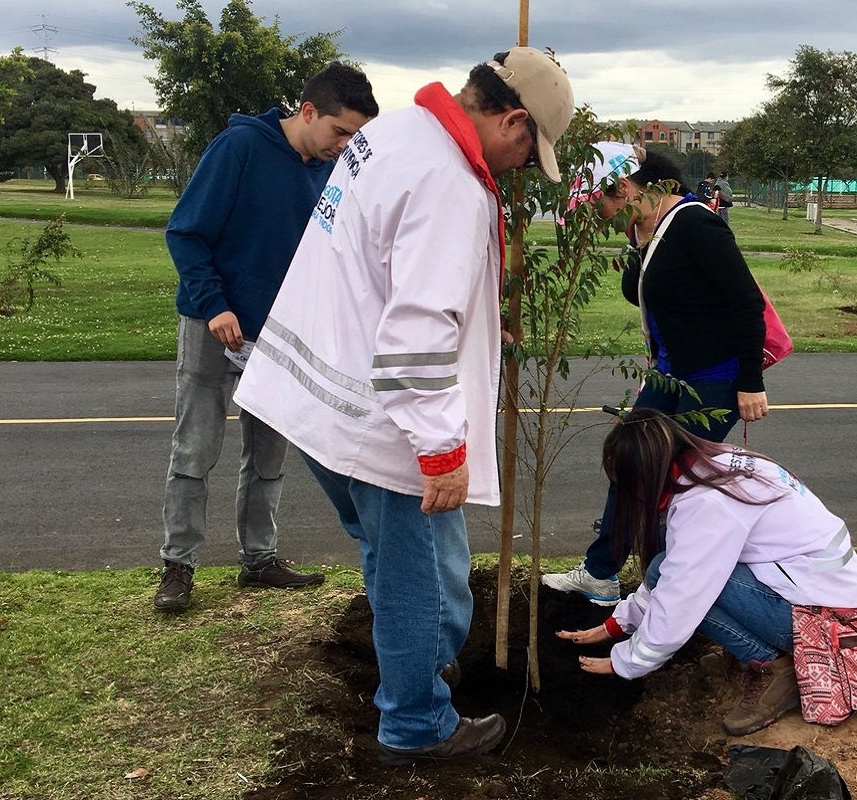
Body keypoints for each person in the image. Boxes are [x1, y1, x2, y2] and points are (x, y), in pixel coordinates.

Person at [233, 47, 575, 764]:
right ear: (510, 117)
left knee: (404, 563)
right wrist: (442, 451)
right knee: (418, 572)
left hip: (312, 395)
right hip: (381, 421)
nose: (521, 164)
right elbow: (416, 332)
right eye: (526, 146)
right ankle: (416, 724)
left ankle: (420, 667)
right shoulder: (449, 182)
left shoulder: (392, 135)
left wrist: (483, 325)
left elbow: (384, 271)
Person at [154, 63, 378, 613]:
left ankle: (259, 559)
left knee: (268, 456)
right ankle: (178, 566)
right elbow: (185, 233)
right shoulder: (238, 149)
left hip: (280, 338)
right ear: (307, 112)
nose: (346, 146)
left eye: (356, 136)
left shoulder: (328, 170)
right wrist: (215, 306)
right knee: (195, 451)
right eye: (341, 132)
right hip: (216, 326)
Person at [556, 409, 857, 735]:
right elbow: (674, 567)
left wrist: (626, 661)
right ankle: (771, 652)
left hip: (827, 625)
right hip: (821, 595)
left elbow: (683, 594)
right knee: (675, 571)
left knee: (696, 593)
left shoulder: (707, 503)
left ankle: (774, 667)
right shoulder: (711, 464)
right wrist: (618, 624)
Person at [542, 148, 768, 605]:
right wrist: (638, 243)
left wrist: (750, 382)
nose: (598, 216)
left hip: (713, 378)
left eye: (597, 205)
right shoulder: (647, 229)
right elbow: (636, 293)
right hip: (668, 373)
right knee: (631, 459)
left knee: (675, 482)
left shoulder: (697, 225)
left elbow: (747, 303)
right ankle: (601, 574)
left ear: (623, 189)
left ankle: (672, 590)